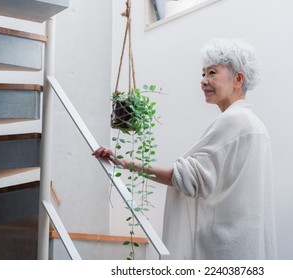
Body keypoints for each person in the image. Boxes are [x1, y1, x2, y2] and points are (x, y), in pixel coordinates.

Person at [92, 38, 277, 259]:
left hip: (225, 249)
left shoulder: (234, 121)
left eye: (212, 73)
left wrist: (125, 162)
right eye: (203, 74)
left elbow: (185, 178)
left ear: (238, 78)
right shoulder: (256, 126)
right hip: (247, 247)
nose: (203, 81)